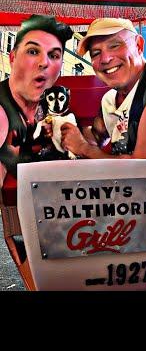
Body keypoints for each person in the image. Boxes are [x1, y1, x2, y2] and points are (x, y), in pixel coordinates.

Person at [0, 15, 73, 289]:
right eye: (33, 51)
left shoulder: (43, 107)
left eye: (54, 55)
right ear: (12, 57)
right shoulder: (3, 113)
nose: (44, 62)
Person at [59, 18, 146, 160]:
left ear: (138, 45)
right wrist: (63, 128)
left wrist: (84, 148)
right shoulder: (109, 100)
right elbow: (95, 137)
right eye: (95, 53)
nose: (105, 59)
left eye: (114, 45)